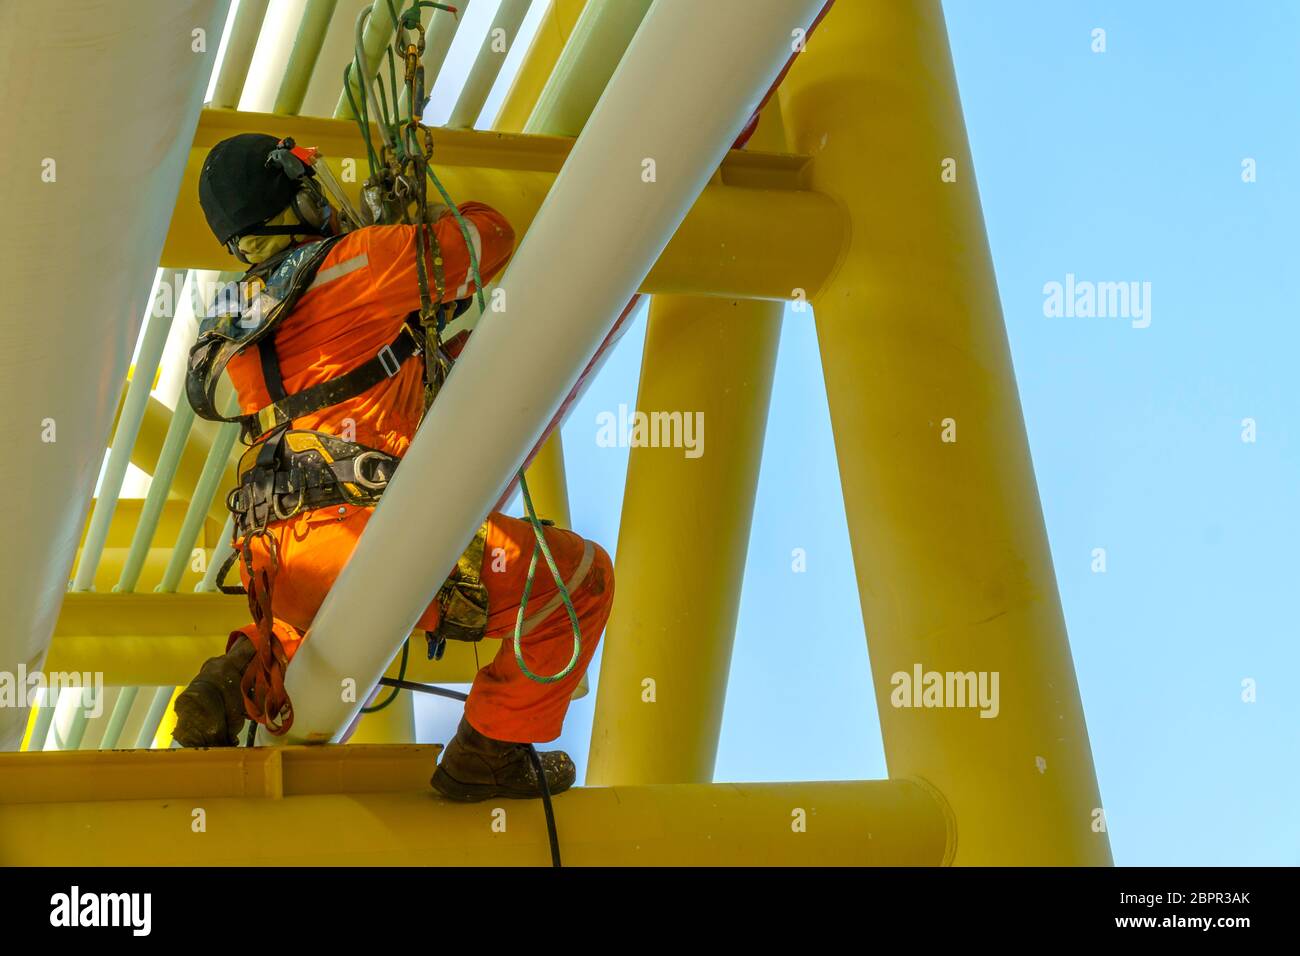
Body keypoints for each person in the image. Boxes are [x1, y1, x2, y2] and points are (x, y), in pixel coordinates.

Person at [171, 133, 613, 803]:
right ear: (298, 198)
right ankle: (488, 753)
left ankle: (234, 676)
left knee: (304, 632)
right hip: (355, 538)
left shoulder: (238, 327)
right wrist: (412, 229)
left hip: (275, 562)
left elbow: (355, 374)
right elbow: (488, 238)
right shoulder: (358, 264)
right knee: (579, 583)